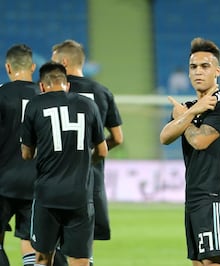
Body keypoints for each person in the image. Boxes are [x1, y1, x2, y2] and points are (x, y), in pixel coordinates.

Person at [20, 62, 108, 266]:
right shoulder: (88, 105)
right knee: (80, 260)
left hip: (47, 195)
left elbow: (26, 153)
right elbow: (102, 150)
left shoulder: (34, 105)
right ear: (67, 85)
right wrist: (83, 161)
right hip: (80, 196)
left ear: (42, 86)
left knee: (42, 257)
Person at [160, 37, 220, 266]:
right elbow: (165, 137)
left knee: (213, 262)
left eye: (205, 66)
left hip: (214, 194)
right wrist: (193, 111)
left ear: (217, 71)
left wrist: (187, 115)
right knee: (198, 263)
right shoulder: (191, 106)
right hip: (193, 194)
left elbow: (200, 141)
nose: (198, 72)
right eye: (193, 67)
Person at [51, 39, 123, 266]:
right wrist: (90, 154)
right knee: (82, 252)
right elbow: (118, 138)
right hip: (90, 181)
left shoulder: (48, 90)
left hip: (55, 179)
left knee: (51, 248)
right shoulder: (102, 92)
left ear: (63, 62)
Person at [0, 44, 40, 266]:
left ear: (8, 67)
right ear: (32, 67)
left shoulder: (1, 94)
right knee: (29, 241)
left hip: (3, 181)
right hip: (35, 183)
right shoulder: (45, 97)